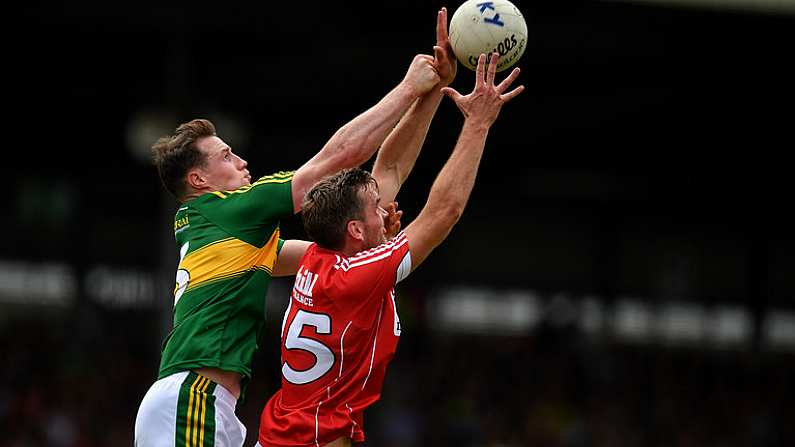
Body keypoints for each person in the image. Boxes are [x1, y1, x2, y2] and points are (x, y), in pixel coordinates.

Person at [133, 7, 458, 445]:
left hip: (210, 402)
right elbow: (338, 157)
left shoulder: (228, 238)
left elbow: (330, 258)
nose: (242, 161)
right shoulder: (229, 208)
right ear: (199, 180)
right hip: (193, 398)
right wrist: (410, 89)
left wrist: (376, 237)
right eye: (227, 156)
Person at [256, 52, 523, 447]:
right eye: (375, 207)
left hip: (287, 434)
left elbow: (392, 169)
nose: (386, 208)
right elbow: (443, 212)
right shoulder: (360, 273)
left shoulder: (320, 256)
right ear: (355, 230)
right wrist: (478, 124)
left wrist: (435, 91)